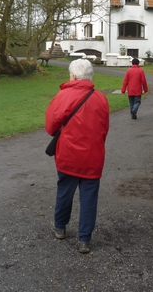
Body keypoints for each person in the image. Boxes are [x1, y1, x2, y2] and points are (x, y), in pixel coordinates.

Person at [44, 59, 110, 254]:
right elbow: (103, 129)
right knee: (89, 197)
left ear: (72, 76)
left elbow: (50, 128)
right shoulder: (101, 98)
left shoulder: (62, 96)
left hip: (68, 155)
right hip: (93, 156)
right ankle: (84, 239)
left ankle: (60, 227)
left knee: (65, 190)